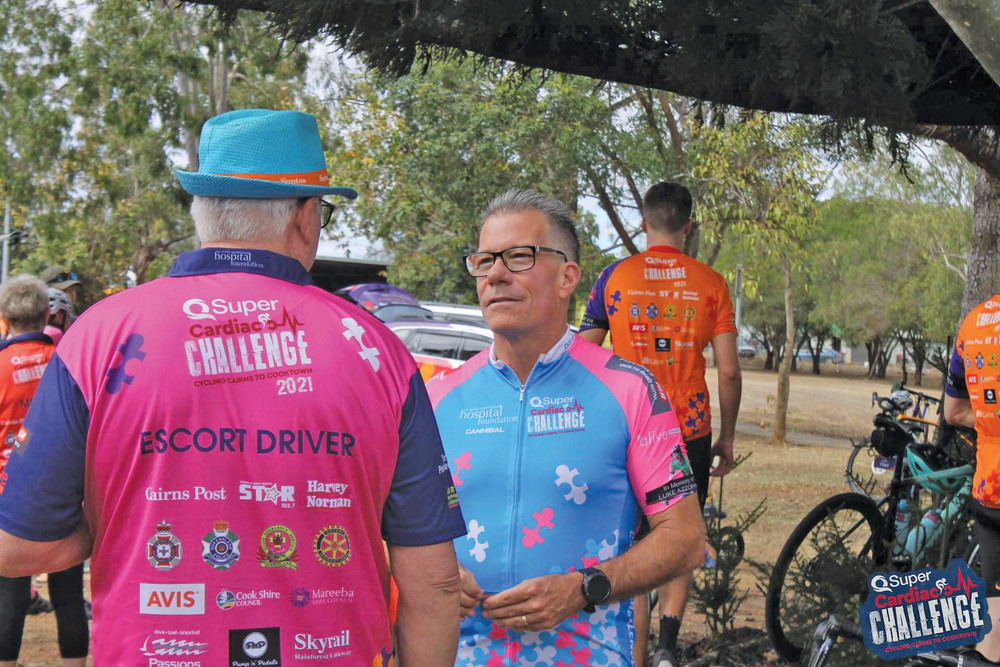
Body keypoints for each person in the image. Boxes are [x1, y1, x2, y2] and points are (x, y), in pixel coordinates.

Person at [0, 108, 465, 666]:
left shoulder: (98, 337)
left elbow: (22, 546)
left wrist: (111, 518)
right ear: (306, 216)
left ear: (205, 214)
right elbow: (433, 585)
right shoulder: (375, 349)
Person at [427, 188, 705, 666]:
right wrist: (433, 573)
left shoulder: (632, 390)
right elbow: (386, 529)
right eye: (484, 260)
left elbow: (685, 538)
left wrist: (583, 588)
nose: (495, 275)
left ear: (567, 277)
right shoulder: (438, 397)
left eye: (518, 257)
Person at [579, 181, 742, 667]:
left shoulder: (613, 277)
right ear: (689, 227)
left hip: (626, 427)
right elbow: (730, 370)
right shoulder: (711, 283)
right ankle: (669, 648)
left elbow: (583, 352)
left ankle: (637, 653)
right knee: (681, 535)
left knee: (634, 545)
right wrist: (728, 437)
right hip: (688, 430)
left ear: (643, 223)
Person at [0, 276, 88, 667]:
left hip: (7, 493)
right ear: (47, 314)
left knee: (9, 590)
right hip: (64, 489)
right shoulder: (67, 361)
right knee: (68, 589)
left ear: (4, 317)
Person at [943, 294, 1000, 663]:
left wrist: (989, 422)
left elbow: (953, 410)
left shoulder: (974, 323)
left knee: (996, 617)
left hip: (990, 491)